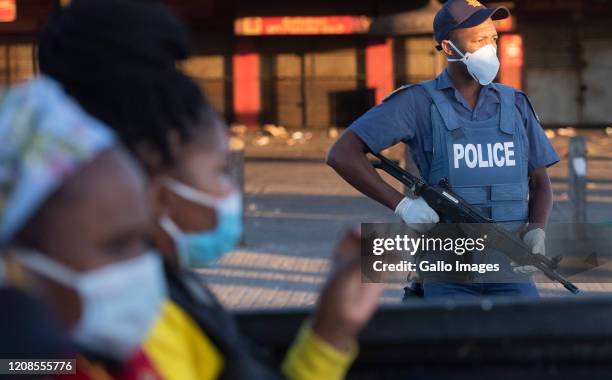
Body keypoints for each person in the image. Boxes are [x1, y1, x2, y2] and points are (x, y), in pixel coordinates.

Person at [38, 0, 383, 378]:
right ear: (157, 188)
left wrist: (330, 332)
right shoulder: (115, 336)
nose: (230, 191)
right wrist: (328, 340)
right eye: (219, 171)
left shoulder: (162, 291)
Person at [327, 0, 559, 299]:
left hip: (509, 269)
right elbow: (342, 153)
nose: (490, 48)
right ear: (449, 48)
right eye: (479, 40)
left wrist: (537, 230)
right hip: (447, 272)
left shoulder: (515, 104)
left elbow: (541, 183)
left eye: (493, 38)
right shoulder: (416, 102)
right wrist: (402, 205)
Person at [0, 76, 166, 379]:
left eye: (145, 241)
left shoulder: (107, 359)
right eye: (116, 245)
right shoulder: (26, 366)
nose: (142, 265)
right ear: (14, 259)